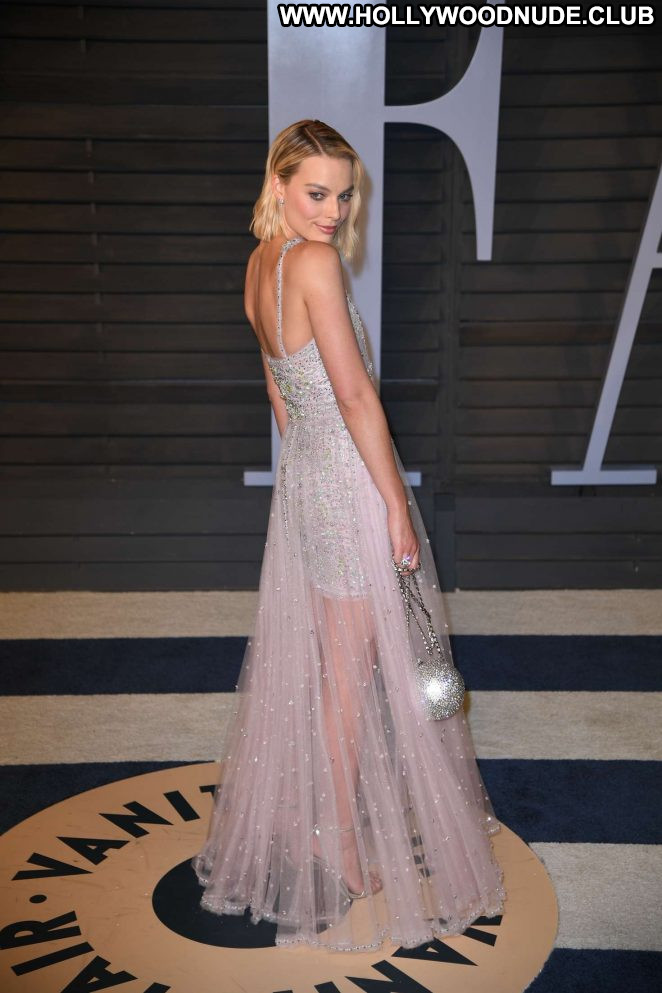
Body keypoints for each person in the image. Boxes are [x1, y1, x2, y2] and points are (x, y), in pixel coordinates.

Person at [191, 119, 506, 952]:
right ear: (279, 184)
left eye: (344, 194)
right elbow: (358, 396)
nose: (333, 211)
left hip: (309, 477)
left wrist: (310, 471)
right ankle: (328, 835)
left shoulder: (261, 263)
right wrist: (394, 503)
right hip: (349, 483)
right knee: (348, 677)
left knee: (335, 667)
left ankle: (311, 815)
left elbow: (278, 388)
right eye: (316, 193)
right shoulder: (314, 263)